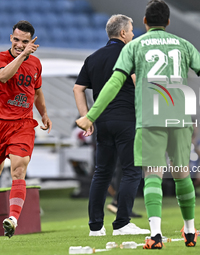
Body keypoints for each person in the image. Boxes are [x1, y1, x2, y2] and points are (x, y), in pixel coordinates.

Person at [76, 0, 200, 249]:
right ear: (169, 22)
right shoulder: (183, 44)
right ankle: (191, 231)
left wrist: (91, 115)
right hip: (180, 119)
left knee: (152, 174)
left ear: (144, 22)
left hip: (150, 121)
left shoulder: (135, 45)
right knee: (182, 174)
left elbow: (114, 84)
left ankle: (156, 234)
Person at [73, 14, 149, 236]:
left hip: (103, 123)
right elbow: (137, 82)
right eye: (132, 30)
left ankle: (95, 227)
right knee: (132, 171)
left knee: (102, 173)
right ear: (123, 33)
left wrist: (87, 118)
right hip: (127, 120)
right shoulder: (130, 54)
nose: (134, 34)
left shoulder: (93, 58)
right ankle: (122, 223)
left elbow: (78, 88)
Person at [0, 20, 52, 238]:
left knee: (19, 170)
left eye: (25, 41)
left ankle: (12, 219)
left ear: (32, 41)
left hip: (23, 123)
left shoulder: (36, 64)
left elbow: (37, 91)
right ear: (11, 38)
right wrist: (22, 55)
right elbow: (3, 76)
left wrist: (44, 113)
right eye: (17, 40)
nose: (20, 44)